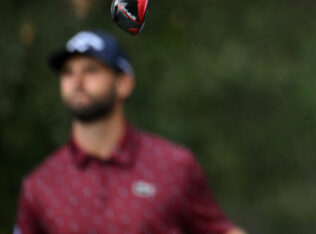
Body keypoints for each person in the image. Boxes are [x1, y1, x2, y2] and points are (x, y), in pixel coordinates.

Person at [14, 30, 248, 234]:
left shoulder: (174, 166)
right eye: (67, 72)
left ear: (124, 83)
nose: (77, 81)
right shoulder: (40, 185)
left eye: (91, 70)